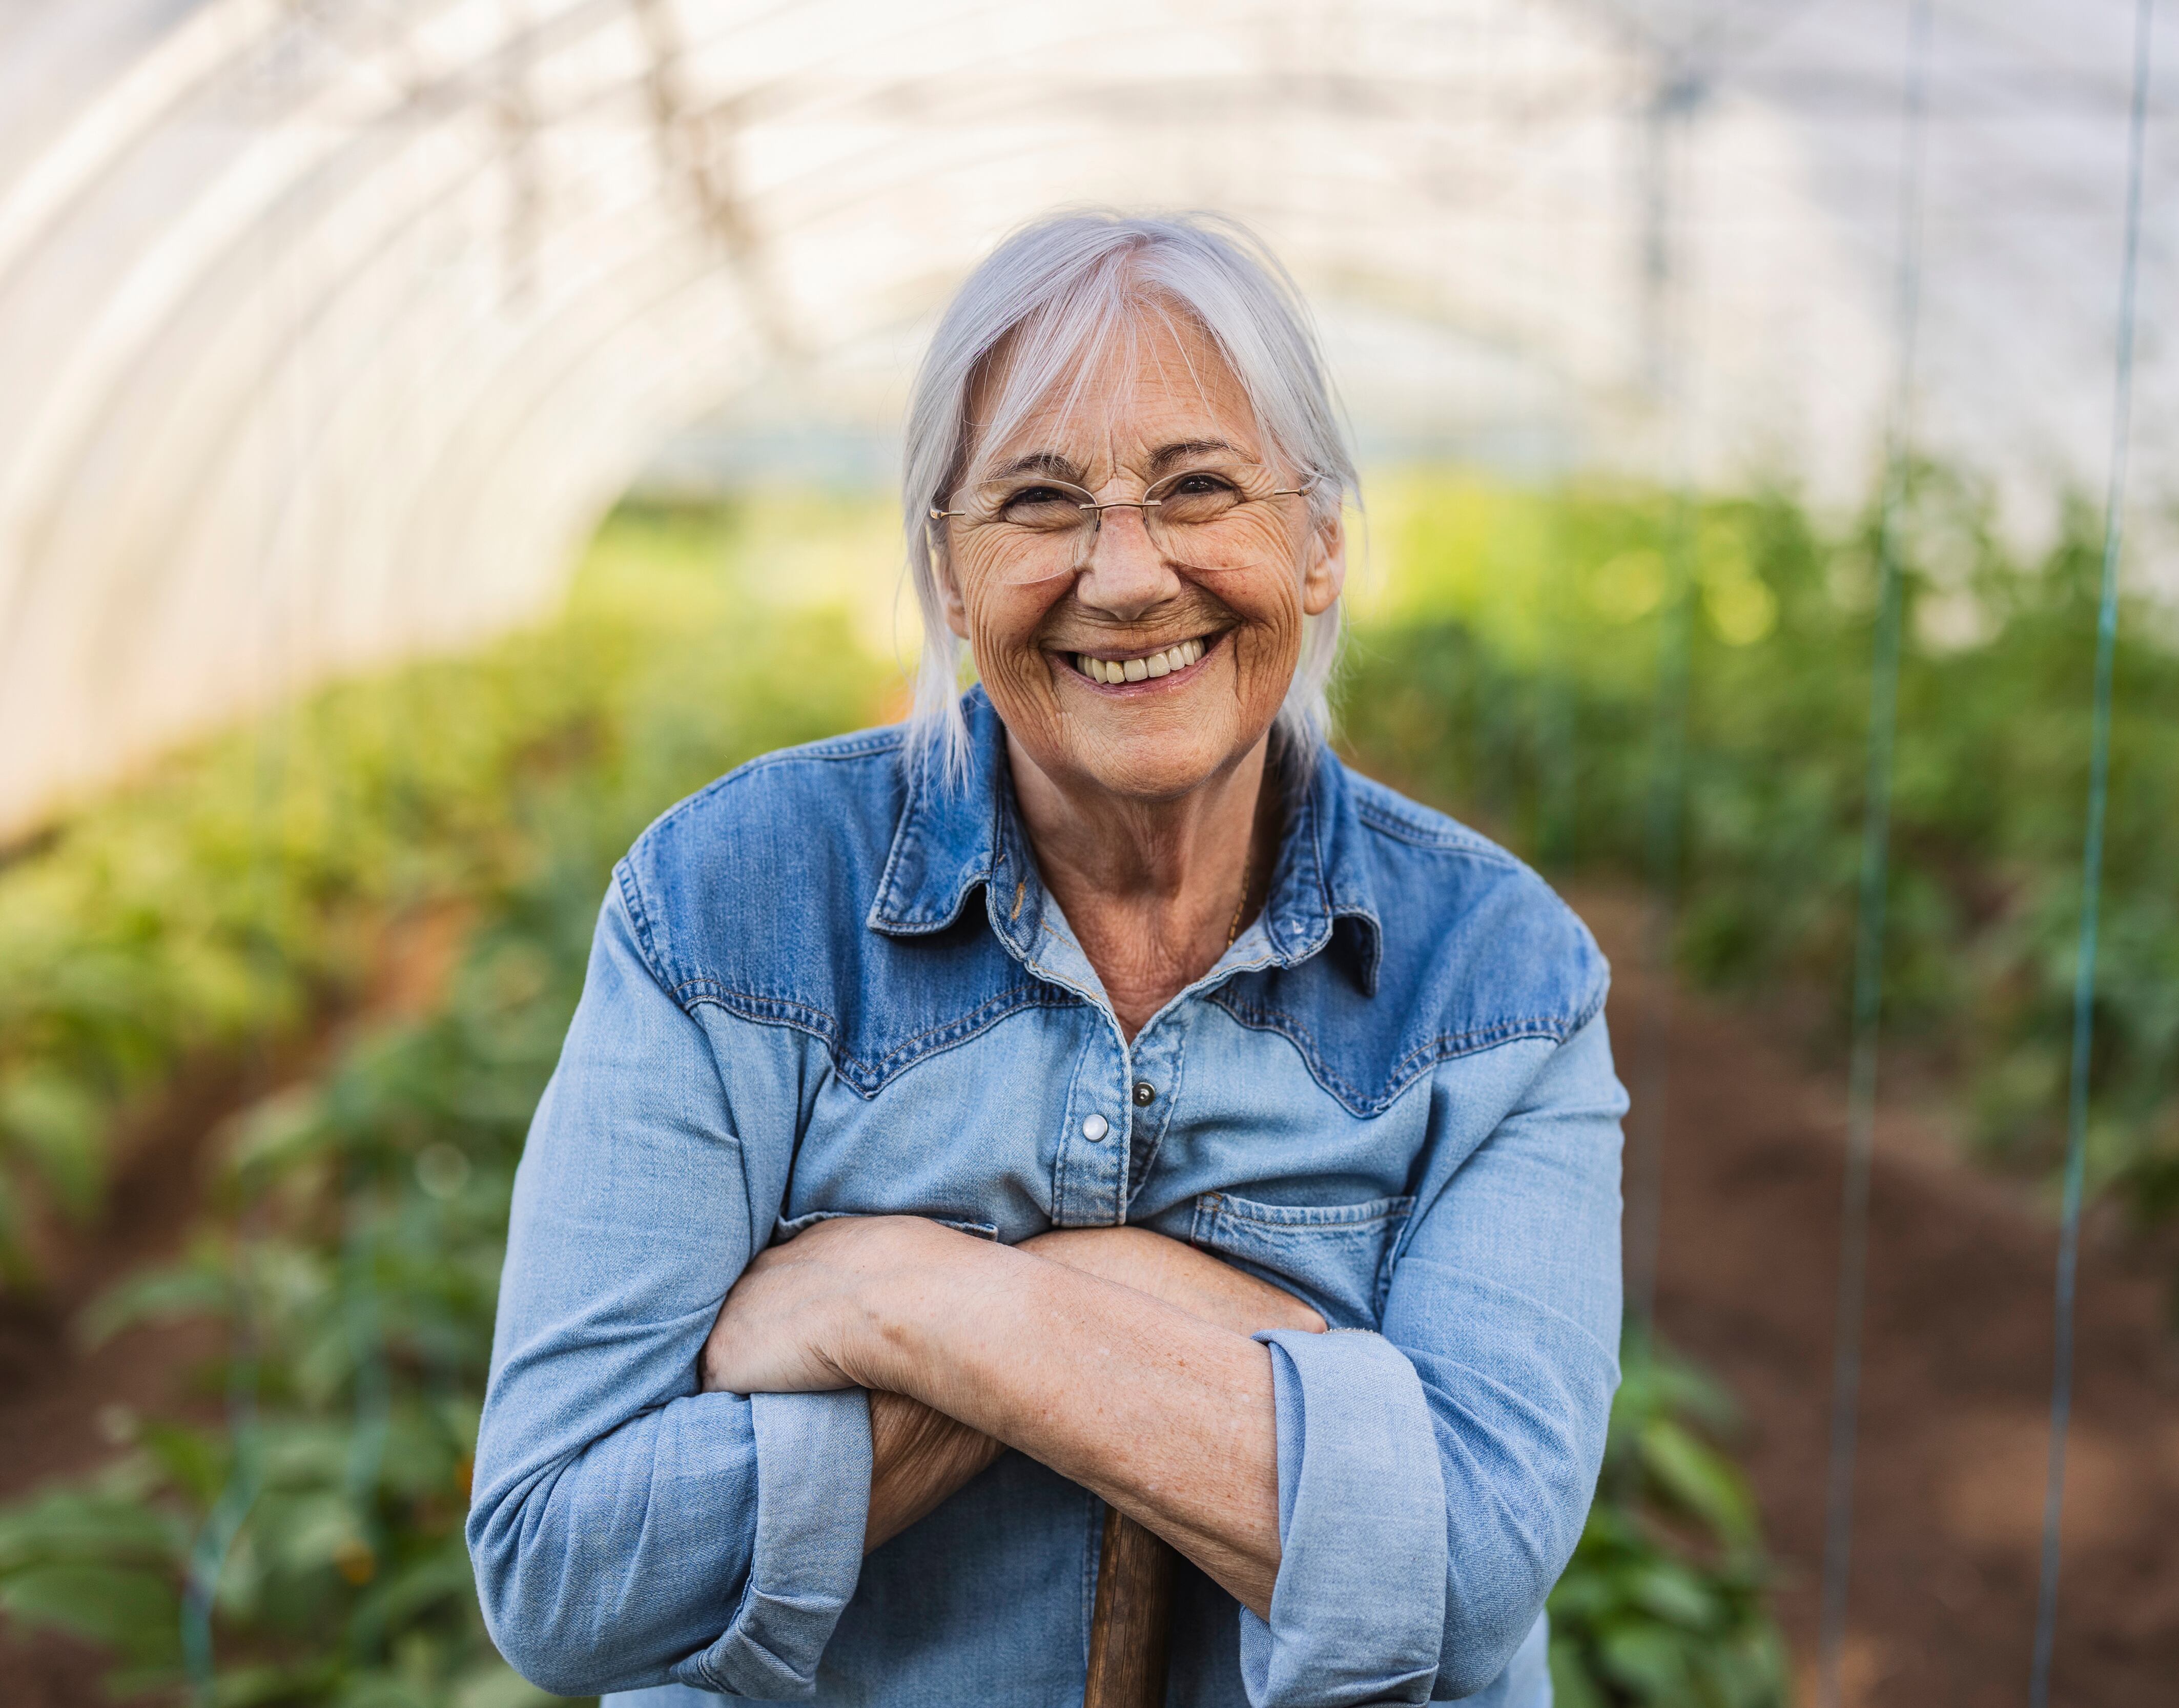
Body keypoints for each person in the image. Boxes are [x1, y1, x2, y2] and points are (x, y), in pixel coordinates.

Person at [466, 211, 1626, 1707]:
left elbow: (1468, 1576)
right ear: (948, 576)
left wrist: (920, 1302)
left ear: (1321, 542)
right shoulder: (732, 905)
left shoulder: (1499, 981)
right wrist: (1255, 1334)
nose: (1128, 574)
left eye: (1200, 487)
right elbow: (562, 1569)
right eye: (1040, 502)